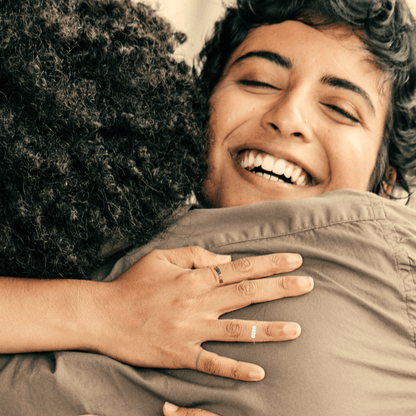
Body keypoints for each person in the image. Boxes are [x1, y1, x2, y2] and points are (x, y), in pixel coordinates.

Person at [1, 0, 416, 415]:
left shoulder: (390, 310)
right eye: (259, 81)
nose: (288, 117)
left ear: (385, 180)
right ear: (200, 103)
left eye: (340, 109)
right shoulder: (68, 219)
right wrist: (103, 311)